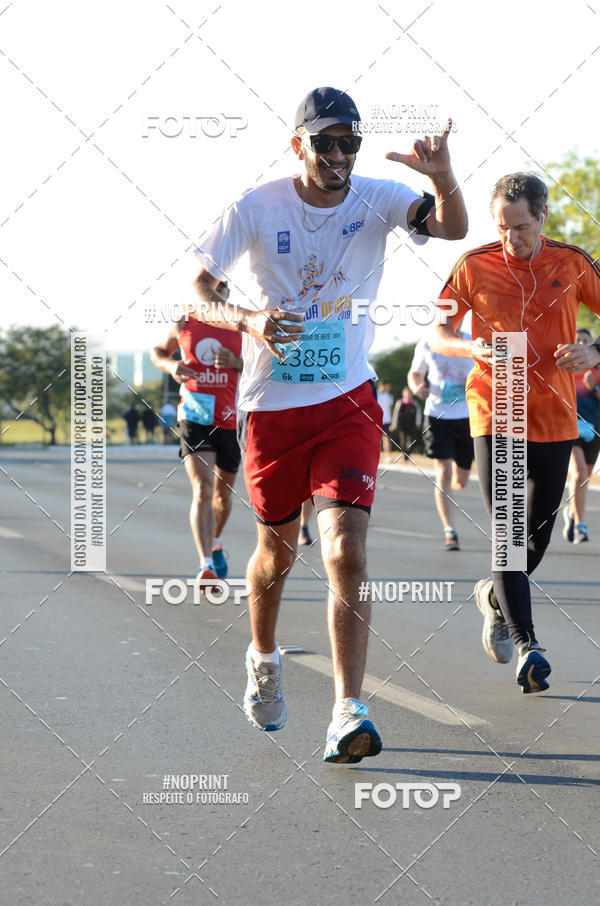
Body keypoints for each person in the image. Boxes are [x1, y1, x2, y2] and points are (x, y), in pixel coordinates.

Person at [191, 86, 467, 762]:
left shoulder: (376, 196)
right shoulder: (256, 207)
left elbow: (452, 229)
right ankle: (263, 655)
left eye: (350, 141)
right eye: (326, 142)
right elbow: (200, 282)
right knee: (277, 555)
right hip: (272, 410)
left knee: (345, 549)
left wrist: (442, 177)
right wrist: (250, 319)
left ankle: (348, 709)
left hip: (347, 399)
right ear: (298, 144)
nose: (340, 154)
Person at [432, 172, 600, 694]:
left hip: (554, 416)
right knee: (506, 536)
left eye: (521, 227)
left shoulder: (571, 263)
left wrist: (593, 353)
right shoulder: (472, 265)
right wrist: (470, 349)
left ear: (542, 217)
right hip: (494, 411)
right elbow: (438, 331)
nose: (511, 238)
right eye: (502, 228)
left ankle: (493, 597)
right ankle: (529, 646)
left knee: (537, 536)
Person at [151, 282, 243, 586]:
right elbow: (158, 352)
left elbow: (267, 366)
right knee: (202, 490)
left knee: (222, 495)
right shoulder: (184, 320)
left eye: (221, 288)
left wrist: (238, 363)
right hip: (194, 415)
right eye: (210, 287)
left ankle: (215, 541)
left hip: (230, 418)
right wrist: (171, 365)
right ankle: (206, 565)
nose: (215, 293)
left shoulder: (242, 323)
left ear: (227, 292)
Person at [408, 332, 474, 550]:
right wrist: (418, 387)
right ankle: (450, 530)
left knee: (461, 480)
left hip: (467, 416)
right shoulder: (427, 342)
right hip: (437, 415)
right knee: (443, 472)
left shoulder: (471, 340)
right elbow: (415, 374)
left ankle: (455, 484)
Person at [563, 327, 600, 543]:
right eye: (577, 339)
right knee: (578, 473)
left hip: (594, 427)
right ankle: (580, 525)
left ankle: (571, 511)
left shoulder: (596, 369)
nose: (581, 342)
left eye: (585, 340)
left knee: (584, 478)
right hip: (569, 426)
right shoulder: (564, 368)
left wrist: (593, 389)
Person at [390, 387, 421, 459]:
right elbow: (395, 414)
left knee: (412, 440)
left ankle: (408, 452)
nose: (408, 395)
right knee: (403, 440)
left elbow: (418, 414)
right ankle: (405, 454)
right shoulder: (400, 403)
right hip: (402, 425)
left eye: (410, 393)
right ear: (403, 394)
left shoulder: (415, 403)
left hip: (412, 424)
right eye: (407, 393)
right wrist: (394, 424)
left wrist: (418, 424)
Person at [377, 380, 394, 460]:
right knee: (376, 439)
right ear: (383, 385)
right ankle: (377, 456)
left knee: (387, 438)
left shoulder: (389, 396)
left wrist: (392, 421)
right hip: (377, 420)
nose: (389, 388)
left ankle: (388, 456)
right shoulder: (376, 394)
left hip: (387, 420)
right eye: (388, 386)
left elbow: (391, 408)